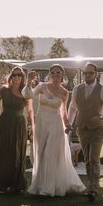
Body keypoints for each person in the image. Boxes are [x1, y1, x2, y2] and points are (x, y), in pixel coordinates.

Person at [22, 65, 85, 196]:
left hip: (56, 123)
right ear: (49, 74)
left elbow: (63, 111)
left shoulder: (64, 92)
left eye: (58, 72)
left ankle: (48, 187)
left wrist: (67, 124)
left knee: (51, 152)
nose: (55, 74)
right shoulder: (42, 86)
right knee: (42, 152)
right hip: (42, 122)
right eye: (53, 72)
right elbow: (29, 95)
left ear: (63, 74)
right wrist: (28, 81)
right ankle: (41, 183)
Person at [67, 62, 103, 202]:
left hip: (97, 130)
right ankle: (91, 185)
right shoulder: (77, 89)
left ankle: (93, 189)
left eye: (91, 73)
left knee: (94, 159)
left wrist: (101, 116)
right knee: (87, 159)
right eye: (86, 73)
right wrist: (69, 124)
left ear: (96, 74)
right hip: (82, 128)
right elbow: (72, 108)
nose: (88, 75)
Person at [0, 67, 33, 194]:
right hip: (6, 123)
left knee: (18, 152)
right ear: (11, 76)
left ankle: (16, 184)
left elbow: (30, 110)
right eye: (14, 75)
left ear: (22, 77)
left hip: (20, 124)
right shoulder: (4, 89)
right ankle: (2, 184)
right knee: (4, 152)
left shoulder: (25, 91)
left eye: (19, 75)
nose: (17, 77)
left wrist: (32, 126)